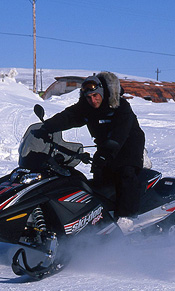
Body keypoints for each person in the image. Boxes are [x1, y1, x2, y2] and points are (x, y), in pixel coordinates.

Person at [33, 71, 145, 234]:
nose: (93, 100)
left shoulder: (120, 106)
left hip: (129, 144)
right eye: (89, 97)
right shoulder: (87, 108)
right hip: (106, 145)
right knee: (100, 178)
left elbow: (120, 133)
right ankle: (100, 217)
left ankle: (128, 217)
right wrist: (47, 127)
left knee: (125, 172)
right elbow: (68, 117)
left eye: (95, 95)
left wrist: (106, 152)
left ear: (102, 92)